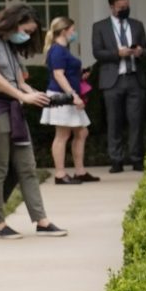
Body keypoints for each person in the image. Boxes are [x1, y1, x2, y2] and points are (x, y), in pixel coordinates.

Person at [0, 2, 65, 239]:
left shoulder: (9, 45)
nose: (27, 36)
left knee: (27, 166)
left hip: (12, 108)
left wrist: (32, 93)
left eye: (31, 33)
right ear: (13, 22)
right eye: (26, 30)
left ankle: (42, 221)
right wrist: (23, 95)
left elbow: (18, 80)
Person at [90, 0, 146, 172]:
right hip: (112, 80)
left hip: (134, 78)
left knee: (136, 121)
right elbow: (97, 52)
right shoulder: (99, 26)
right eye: (121, 7)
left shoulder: (137, 25)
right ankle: (116, 160)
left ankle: (137, 158)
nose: (125, 9)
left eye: (127, 5)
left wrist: (140, 52)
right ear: (112, 7)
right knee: (114, 121)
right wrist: (117, 53)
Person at [41, 16, 96, 185]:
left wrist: (80, 75)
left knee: (81, 132)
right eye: (72, 30)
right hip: (62, 96)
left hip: (68, 95)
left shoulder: (63, 49)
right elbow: (58, 75)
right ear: (64, 31)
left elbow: (66, 72)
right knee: (62, 135)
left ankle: (79, 171)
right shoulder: (57, 50)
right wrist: (73, 95)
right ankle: (60, 174)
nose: (74, 33)